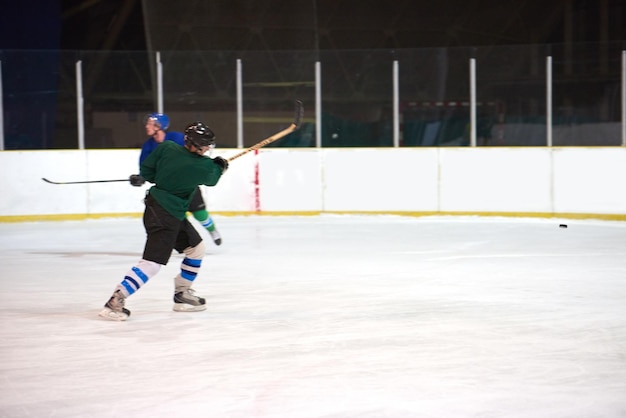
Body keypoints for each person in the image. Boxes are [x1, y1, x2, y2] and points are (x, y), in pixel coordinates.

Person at [99, 121, 229, 321]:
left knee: (196, 249)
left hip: (161, 209)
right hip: (165, 216)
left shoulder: (167, 147)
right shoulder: (202, 165)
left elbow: (149, 172)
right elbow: (212, 178)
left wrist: (150, 176)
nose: (209, 149)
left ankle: (182, 294)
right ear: (199, 145)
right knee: (151, 263)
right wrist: (220, 166)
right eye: (207, 145)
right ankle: (115, 301)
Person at [131, 113, 223, 246]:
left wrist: (208, 166)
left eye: (150, 123)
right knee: (178, 216)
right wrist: (141, 177)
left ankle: (212, 230)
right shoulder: (148, 146)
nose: (147, 126)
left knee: (200, 213)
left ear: (160, 125)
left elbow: (194, 154)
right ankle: (187, 240)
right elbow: (146, 167)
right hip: (170, 188)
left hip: (188, 183)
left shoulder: (175, 138)